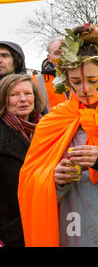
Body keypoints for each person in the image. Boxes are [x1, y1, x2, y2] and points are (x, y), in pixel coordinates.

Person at [18, 25, 98, 247]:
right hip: (73, 236)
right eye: (76, 82)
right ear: (66, 81)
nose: (84, 89)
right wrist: (53, 180)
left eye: (92, 80)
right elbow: (28, 184)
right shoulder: (52, 123)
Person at [0, 74, 44, 247]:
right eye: (14, 95)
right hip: (10, 230)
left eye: (28, 93)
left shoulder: (47, 129)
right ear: (3, 99)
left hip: (45, 221)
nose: (23, 99)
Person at [32, 37, 68, 114]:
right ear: (49, 58)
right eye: (57, 53)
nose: (63, 57)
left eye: (66, 52)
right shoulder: (35, 81)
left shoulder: (85, 77)